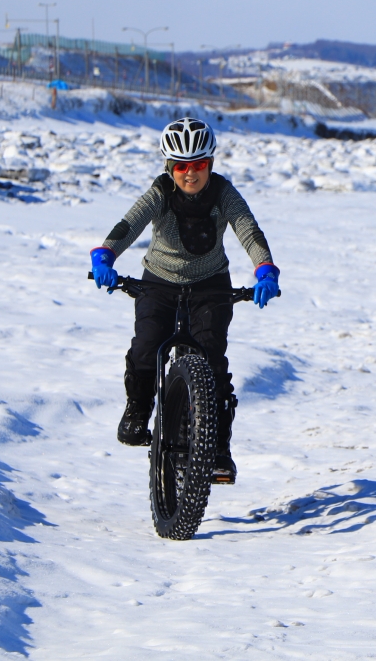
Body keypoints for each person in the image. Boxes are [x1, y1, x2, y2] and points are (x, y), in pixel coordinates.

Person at [90, 118, 279, 484]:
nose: (190, 174)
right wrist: (105, 255)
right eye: (181, 166)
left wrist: (265, 269)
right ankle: (138, 409)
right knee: (147, 345)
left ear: (210, 163)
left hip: (211, 285)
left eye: (198, 166)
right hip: (159, 282)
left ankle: (218, 450)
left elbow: (248, 229)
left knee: (212, 362)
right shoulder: (161, 191)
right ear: (169, 167)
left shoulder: (223, 193)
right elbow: (131, 223)